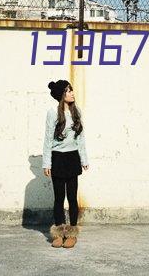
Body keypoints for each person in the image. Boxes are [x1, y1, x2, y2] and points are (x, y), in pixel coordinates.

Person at [42, 79, 89, 248]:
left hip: (72, 158)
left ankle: (72, 233)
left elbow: (80, 139)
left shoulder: (77, 112)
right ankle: (59, 233)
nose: (72, 93)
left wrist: (84, 159)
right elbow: (48, 140)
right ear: (62, 95)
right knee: (59, 198)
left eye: (72, 90)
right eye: (68, 91)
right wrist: (46, 163)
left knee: (72, 197)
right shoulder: (52, 113)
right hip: (57, 159)